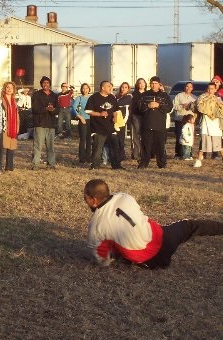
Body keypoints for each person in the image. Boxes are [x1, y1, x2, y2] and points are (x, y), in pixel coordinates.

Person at [84, 179, 223, 269]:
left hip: (151, 260)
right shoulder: (124, 196)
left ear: (93, 200)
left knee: (110, 243)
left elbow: (101, 258)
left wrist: (112, 257)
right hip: (164, 236)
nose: (85, 201)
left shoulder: (96, 226)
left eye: (86, 198)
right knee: (191, 225)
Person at [84, 80, 123, 170]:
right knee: (98, 148)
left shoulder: (112, 97)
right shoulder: (94, 97)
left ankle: (116, 165)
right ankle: (95, 165)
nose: (111, 88)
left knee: (115, 147)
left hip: (110, 128)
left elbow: (116, 110)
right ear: (103, 87)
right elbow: (88, 111)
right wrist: (100, 114)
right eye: (109, 86)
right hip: (98, 128)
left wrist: (115, 118)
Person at [138, 76, 173, 169]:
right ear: (150, 84)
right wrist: (148, 105)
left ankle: (161, 163)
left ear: (159, 84)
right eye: (152, 83)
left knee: (160, 146)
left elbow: (169, 108)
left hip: (160, 125)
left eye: (156, 83)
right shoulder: (145, 95)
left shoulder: (164, 95)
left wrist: (159, 105)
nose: (154, 85)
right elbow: (139, 108)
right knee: (146, 146)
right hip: (147, 124)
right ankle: (144, 163)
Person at [193, 82, 223, 167]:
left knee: (218, 144)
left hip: (215, 124)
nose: (210, 90)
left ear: (215, 89)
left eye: (212, 89)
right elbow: (200, 108)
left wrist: (217, 104)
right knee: (203, 143)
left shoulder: (218, 99)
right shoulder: (201, 98)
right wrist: (209, 109)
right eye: (209, 88)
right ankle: (198, 160)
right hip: (206, 123)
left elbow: (221, 110)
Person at [31, 76, 58, 169]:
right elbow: (34, 109)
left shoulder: (54, 95)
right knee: (38, 145)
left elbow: (58, 110)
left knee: (51, 146)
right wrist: (45, 109)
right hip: (40, 123)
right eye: (44, 83)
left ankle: (51, 164)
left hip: (51, 124)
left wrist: (53, 110)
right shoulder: (36, 95)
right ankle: (35, 164)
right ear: (41, 84)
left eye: (47, 83)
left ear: (50, 84)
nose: (46, 84)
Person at [172, 82, 197, 159]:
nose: (188, 88)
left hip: (190, 122)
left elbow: (197, 109)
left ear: (192, 88)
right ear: (184, 87)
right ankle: (178, 153)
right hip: (180, 119)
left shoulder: (195, 98)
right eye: (187, 86)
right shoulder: (179, 96)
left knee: (190, 137)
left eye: (190, 87)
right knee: (180, 136)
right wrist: (182, 106)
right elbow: (173, 106)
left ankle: (188, 153)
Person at [1, 81, 19, 171]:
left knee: (11, 147)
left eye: (11, 88)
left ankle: (9, 167)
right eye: (7, 87)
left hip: (13, 126)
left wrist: (17, 126)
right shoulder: (1, 100)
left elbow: (17, 115)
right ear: (5, 88)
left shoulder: (14, 101)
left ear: (13, 90)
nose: (9, 89)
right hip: (4, 126)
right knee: (3, 146)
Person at [72, 83, 92, 164]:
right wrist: (80, 117)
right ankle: (82, 158)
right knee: (83, 139)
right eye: (83, 88)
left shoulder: (91, 97)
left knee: (89, 140)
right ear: (81, 89)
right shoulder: (79, 98)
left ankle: (88, 157)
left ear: (89, 89)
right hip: (83, 120)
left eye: (86, 88)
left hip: (91, 121)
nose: (85, 90)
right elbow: (74, 108)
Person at [130, 78, 147, 160]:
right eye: (139, 83)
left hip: (146, 116)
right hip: (136, 116)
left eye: (143, 82)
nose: (142, 84)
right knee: (136, 135)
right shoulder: (134, 94)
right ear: (137, 84)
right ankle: (136, 154)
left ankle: (144, 154)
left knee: (145, 136)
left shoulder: (148, 94)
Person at [115, 82, 132, 162]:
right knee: (115, 137)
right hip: (114, 118)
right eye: (122, 87)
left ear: (128, 89)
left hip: (122, 119)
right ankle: (115, 154)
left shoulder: (129, 97)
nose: (123, 89)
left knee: (121, 138)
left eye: (125, 87)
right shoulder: (116, 96)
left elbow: (118, 104)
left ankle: (121, 155)